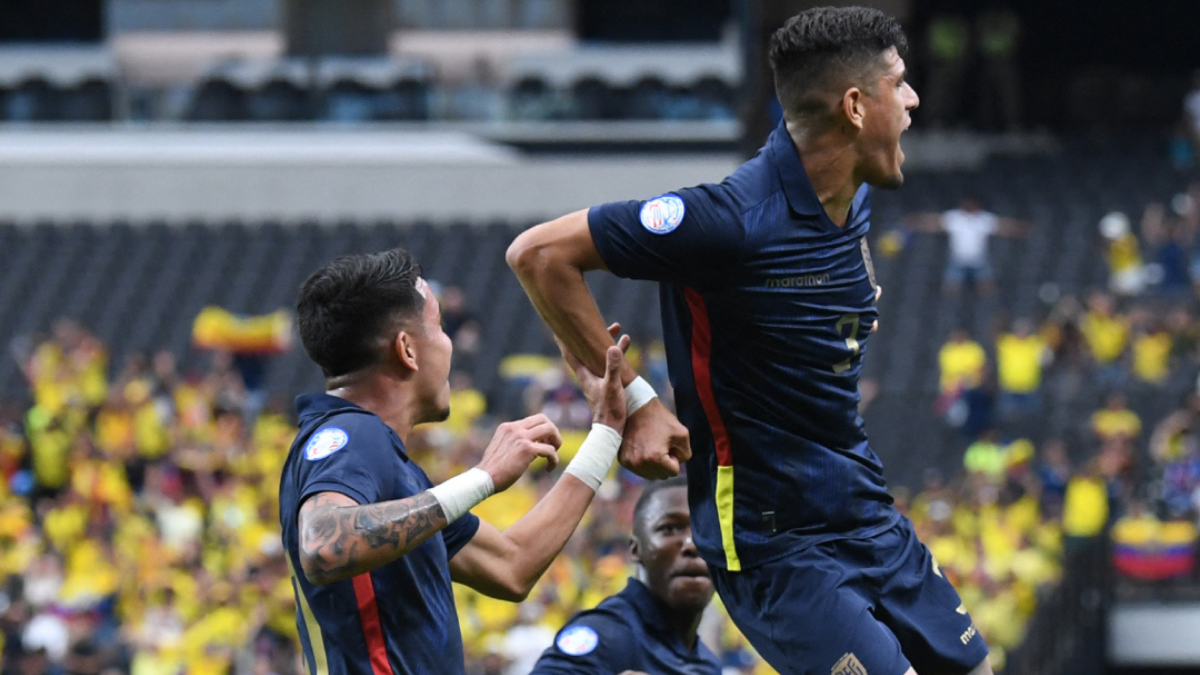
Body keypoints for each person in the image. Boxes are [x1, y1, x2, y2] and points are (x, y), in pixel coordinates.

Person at [508, 6, 992, 675]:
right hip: (771, 538)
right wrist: (641, 399)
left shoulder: (850, 194)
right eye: (900, 83)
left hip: (862, 505)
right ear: (855, 106)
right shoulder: (730, 221)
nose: (913, 99)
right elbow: (537, 256)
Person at [279, 248, 631, 675]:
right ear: (407, 350)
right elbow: (324, 544)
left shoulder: (395, 474)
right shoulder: (353, 433)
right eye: (440, 327)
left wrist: (606, 431)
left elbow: (511, 565)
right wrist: (483, 478)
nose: (448, 346)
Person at [529, 476, 720, 675]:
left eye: (705, 531)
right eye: (669, 528)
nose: (692, 544)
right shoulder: (604, 635)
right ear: (636, 550)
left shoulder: (708, 664)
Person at [904, 196, 1029, 295]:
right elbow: (935, 223)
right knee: (950, 290)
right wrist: (917, 222)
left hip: (978, 260)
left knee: (986, 288)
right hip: (958, 260)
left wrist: (1020, 229)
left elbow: (1002, 227)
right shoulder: (955, 217)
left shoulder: (983, 219)